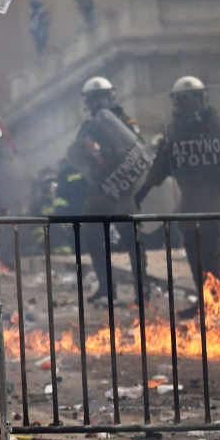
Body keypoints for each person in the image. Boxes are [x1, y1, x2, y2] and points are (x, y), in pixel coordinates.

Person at [135, 76, 220, 318]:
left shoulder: (218, 123)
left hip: (215, 196)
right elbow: (162, 163)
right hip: (191, 196)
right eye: (183, 100)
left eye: (193, 98)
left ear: (203, 98)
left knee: (213, 249)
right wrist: (144, 190)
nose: (188, 104)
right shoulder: (174, 131)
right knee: (194, 250)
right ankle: (205, 299)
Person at [70, 77, 149, 305]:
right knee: (91, 233)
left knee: (131, 237)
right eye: (93, 99)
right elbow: (79, 158)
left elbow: (138, 145)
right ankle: (106, 288)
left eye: (101, 97)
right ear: (88, 102)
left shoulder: (125, 121)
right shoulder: (86, 130)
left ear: (111, 97)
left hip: (123, 186)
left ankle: (142, 290)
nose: (98, 103)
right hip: (100, 188)